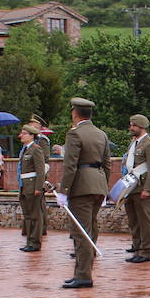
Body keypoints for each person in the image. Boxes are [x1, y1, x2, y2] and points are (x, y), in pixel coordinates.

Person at [56, 98, 109, 287]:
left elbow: (70, 165)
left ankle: (84, 275)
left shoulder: (75, 134)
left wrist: (64, 191)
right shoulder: (100, 134)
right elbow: (107, 164)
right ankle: (80, 272)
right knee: (89, 230)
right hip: (97, 185)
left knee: (81, 233)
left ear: (75, 113)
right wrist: (104, 189)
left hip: (81, 187)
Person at [122, 114, 150, 263]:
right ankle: (137, 247)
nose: (131, 128)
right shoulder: (134, 143)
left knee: (144, 221)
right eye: (130, 125)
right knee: (134, 221)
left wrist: (148, 189)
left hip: (142, 187)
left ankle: (146, 251)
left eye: (134, 125)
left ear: (142, 126)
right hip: (131, 187)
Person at [17, 123, 47, 252]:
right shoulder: (25, 149)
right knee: (28, 215)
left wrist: (38, 187)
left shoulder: (36, 149)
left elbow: (40, 170)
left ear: (31, 135)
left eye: (23, 134)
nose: (21, 136)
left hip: (32, 185)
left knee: (35, 215)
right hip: (25, 185)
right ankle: (29, 241)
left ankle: (35, 242)